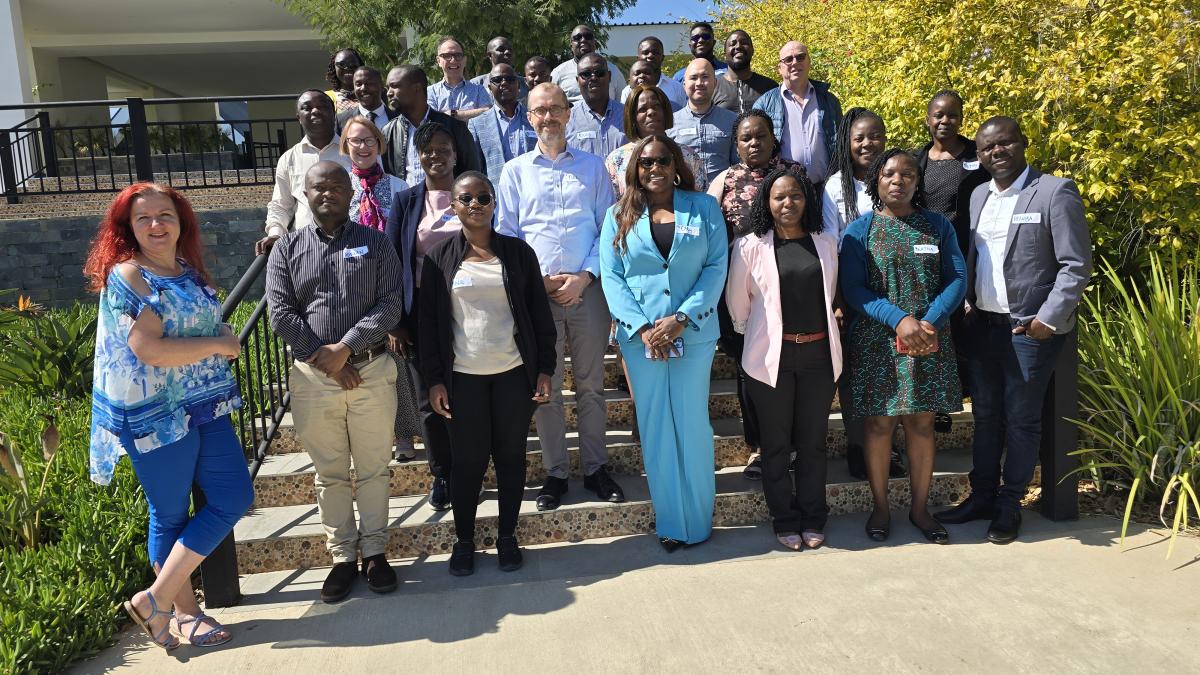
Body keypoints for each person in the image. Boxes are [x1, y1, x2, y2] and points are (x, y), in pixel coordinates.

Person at [85, 182, 252, 649]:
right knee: (171, 513)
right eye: (144, 218)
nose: (156, 225)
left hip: (204, 404)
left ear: (182, 222)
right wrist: (220, 343)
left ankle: (152, 601)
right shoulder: (129, 276)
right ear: (128, 228)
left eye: (165, 215)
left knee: (234, 496)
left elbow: (192, 322)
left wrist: (216, 329)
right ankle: (183, 614)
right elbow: (150, 350)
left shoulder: (186, 269)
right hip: (155, 413)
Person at [934, 116, 1091, 544]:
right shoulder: (979, 194)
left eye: (1004, 144)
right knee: (986, 418)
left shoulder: (1054, 191)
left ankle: (1009, 504)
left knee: (1022, 420)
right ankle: (982, 496)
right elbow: (978, 258)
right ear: (979, 155)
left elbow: (1076, 265)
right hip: (983, 325)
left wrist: (1048, 319)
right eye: (986, 148)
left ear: (1022, 144)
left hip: (1029, 330)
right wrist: (967, 298)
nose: (995, 153)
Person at [266, 161, 404, 603]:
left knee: (373, 468)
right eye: (317, 187)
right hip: (312, 379)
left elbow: (390, 305)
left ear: (351, 192)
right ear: (304, 194)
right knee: (330, 474)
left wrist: (344, 348)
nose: (327, 193)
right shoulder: (285, 249)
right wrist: (324, 360)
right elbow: (280, 314)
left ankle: (377, 553)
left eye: (336, 186)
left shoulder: (376, 243)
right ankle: (343, 557)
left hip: (371, 370)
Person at [419, 171, 556, 576]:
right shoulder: (439, 258)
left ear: (494, 203)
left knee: (511, 458)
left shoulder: (518, 253)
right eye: (466, 198)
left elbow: (539, 315)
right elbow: (428, 324)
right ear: (453, 206)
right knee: (468, 463)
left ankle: (508, 537)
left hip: (513, 374)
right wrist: (434, 380)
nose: (475, 204)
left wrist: (545, 369)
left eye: (483, 197)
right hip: (463, 378)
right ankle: (464, 542)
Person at [497, 83, 626, 510]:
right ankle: (555, 474)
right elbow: (509, 237)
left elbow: (608, 229)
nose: (548, 117)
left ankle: (595, 468)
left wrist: (585, 276)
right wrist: (539, 281)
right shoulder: (514, 171)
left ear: (569, 114)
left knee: (591, 386)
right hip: (538, 297)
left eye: (555, 109)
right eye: (539, 111)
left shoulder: (593, 169)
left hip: (587, 292)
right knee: (544, 388)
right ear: (528, 117)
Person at [599, 133, 728, 550]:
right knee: (656, 428)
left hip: (692, 334)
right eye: (646, 163)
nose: (655, 169)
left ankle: (698, 521)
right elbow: (612, 277)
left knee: (692, 425)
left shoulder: (704, 207)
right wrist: (641, 328)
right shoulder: (617, 215)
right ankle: (672, 522)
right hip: (642, 341)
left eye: (663, 161)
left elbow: (715, 266)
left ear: (676, 165)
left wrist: (682, 317)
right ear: (635, 169)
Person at [839, 149, 966, 545]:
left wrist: (928, 322)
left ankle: (919, 508)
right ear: (876, 181)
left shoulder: (938, 226)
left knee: (922, 423)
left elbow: (958, 277)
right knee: (879, 424)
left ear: (917, 181)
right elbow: (853, 289)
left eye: (907, 174)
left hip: (929, 338)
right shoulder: (859, 231)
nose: (898, 180)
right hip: (878, 341)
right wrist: (899, 320)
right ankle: (880, 507)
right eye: (889, 174)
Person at [726, 168, 841, 550]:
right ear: (767, 203)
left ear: (807, 200)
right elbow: (737, 304)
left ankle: (813, 516)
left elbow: (832, 295)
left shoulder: (825, 244)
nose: (787, 203)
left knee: (812, 442)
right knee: (775, 444)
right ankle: (784, 518)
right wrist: (760, 335)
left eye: (795, 196)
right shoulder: (750, 246)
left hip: (818, 357)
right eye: (779, 197)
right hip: (768, 358)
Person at [706, 109, 806, 479]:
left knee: (790, 368)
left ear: (773, 138)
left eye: (760, 136)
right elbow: (709, 234)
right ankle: (760, 447)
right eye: (745, 138)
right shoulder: (726, 180)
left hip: (793, 287)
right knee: (749, 371)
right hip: (742, 291)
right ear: (736, 144)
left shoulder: (794, 175)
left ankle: (793, 445)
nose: (753, 143)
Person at [384, 122, 464, 511]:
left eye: (443, 147)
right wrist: (396, 320)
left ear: (455, 152)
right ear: (418, 155)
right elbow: (392, 261)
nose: (436, 155)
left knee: (466, 393)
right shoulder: (406, 200)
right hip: (419, 314)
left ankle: (468, 470)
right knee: (426, 396)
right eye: (428, 149)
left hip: (468, 311)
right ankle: (442, 474)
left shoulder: (471, 193)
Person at [822, 108, 905, 480]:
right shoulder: (834, 187)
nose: (867, 143)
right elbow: (829, 246)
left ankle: (890, 448)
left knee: (893, 374)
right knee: (855, 376)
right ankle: (859, 446)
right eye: (859, 137)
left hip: (897, 294)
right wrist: (838, 301)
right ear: (847, 143)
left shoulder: (898, 180)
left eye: (875, 136)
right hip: (852, 296)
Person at [339, 116, 422, 461]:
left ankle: (404, 435)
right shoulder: (340, 188)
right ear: (345, 146)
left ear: (380, 144)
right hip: (353, 290)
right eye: (355, 141)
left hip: (393, 285)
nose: (362, 147)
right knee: (360, 364)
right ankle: (369, 437)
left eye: (369, 140)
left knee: (399, 363)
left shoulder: (400, 186)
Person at [914, 90, 990, 430]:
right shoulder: (919, 160)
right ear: (928, 119)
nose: (945, 121)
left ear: (962, 117)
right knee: (937, 325)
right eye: (938, 115)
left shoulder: (979, 155)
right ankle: (940, 402)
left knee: (965, 327)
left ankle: (969, 396)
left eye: (952, 115)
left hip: (973, 252)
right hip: (929, 258)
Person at [258, 90, 351, 255]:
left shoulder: (352, 152)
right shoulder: (289, 159)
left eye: (322, 106)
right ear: (299, 117)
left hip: (350, 244)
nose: (315, 111)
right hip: (305, 248)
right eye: (307, 108)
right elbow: (281, 204)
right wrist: (275, 234)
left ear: (333, 112)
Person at [752, 41, 842, 185]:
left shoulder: (829, 101)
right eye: (788, 59)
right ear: (779, 69)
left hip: (825, 189)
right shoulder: (764, 104)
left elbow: (840, 146)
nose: (795, 62)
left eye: (800, 57)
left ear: (809, 62)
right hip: (785, 192)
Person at [381, 64, 481, 183]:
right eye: (388, 88)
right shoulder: (389, 131)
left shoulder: (454, 127)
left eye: (395, 86)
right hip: (405, 201)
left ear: (416, 88)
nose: (389, 93)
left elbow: (471, 174)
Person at [605, 85, 706, 196]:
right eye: (642, 109)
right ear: (632, 117)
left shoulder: (689, 156)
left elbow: (701, 199)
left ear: (666, 111)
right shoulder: (615, 161)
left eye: (656, 106)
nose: (651, 112)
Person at [668, 59, 739, 184]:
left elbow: (738, 165)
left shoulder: (732, 121)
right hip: (684, 195)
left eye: (705, 77)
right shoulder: (670, 124)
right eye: (693, 78)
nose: (699, 83)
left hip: (721, 195)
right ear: (684, 84)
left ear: (715, 83)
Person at [468, 63, 537, 184]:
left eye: (510, 79)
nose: (504, 83)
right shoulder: (477, 124)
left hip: (533, 192)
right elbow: (476, 169)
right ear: (489, 87)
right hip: (497, 196)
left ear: (518, 85)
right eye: (497, 80)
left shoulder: (535, 118)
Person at [565, 53, 627, 159]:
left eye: (599, 73)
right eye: (586, 74)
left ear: (609, 77)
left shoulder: (628, 115)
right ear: (577, 81)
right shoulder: (567, 118)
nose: (593, 78)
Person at [551, 24, 627, 105]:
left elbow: (623, 104)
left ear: (595, 42)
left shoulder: (612, 70)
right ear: (571, 45)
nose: (583, 40)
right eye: (577, 38)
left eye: (588, 36)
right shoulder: (558, 73)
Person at [427, 36, 492, 121]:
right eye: (447, 56)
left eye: (458, 55)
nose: (453, 60)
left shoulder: (479, 90)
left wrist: (455, 114)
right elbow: (430, 120)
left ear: (465, 60)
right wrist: (473, 113)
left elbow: (488, 113)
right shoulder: (430, 92)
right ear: (438, 61)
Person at [713, 30, 776, 114]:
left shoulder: (770, 87)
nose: (738, 46)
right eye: (732, 44)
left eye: (744, 42)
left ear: (752, 50)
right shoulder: (712, 87)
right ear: (725, 53)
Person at [618, 37, 686, 111]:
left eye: (655, 52)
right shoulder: (627, 91)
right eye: (645, 53)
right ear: (638, 58)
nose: (650, 55)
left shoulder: (677, 88)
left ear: (662, 57)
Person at [336, 66, 395, 133]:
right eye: (358, 84)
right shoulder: (341, 120)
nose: (363, 88)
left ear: (381, 86)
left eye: (369, 83)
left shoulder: (398, 117)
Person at [470, 36, 530, 101]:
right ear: (490, 55)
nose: (507, 52)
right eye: (501, 49)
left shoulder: (525, 84)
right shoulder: (475, 85)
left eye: (510, 50)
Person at [324, 47, 364, 114]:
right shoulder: (326, 98)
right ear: (334, 68)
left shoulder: (372, 95)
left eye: (352, 65)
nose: (347, 68)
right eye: (341, 64)